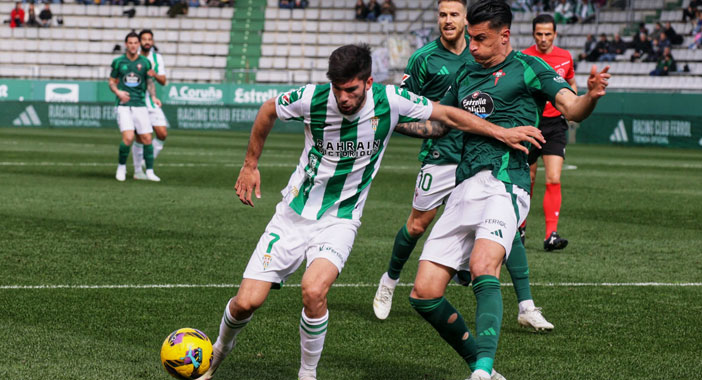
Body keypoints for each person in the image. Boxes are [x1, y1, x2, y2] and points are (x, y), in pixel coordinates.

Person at [196, 43, 544, 380]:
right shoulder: (312, 98)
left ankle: (307, 374)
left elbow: (447, 114)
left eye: (350, 90)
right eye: (337, 89)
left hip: (341, 220)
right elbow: (268, 110)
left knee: (314, 291)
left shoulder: (389, 100)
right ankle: (219, 350)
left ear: (368, 83)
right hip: (292, 214)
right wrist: (250, 164)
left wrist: (501, 132)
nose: (343, 98)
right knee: (246, 303)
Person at [408, 1, 609, 379]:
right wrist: (390, 122)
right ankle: (484, 368)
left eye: (480, 39)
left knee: (485, 266)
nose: (472, 47)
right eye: (470, 38)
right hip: (463, 185)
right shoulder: (466, 70)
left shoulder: (530, 68)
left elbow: (571, 108)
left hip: (506, 184)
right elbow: (440, 123)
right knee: (424, 293)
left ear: (504, 36)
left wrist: (591, 97)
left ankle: (482, 373)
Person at [372, 0, 554, 333]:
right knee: (417, 225)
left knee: (504, 227)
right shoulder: (423, 58)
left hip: (486, 160)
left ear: (467, 20)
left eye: (454, 14)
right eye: (442, 14)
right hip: (442, 155)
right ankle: (389, 280)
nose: (447, 20)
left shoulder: (485, 53)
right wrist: (389, 121)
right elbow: (405, 107)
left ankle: (526, 305)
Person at [521, 13, 578, 251]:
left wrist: (573, 101)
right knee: (528, 179)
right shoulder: (523, 57)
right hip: (530, 124)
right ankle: (519, 228)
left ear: (555, 34)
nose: (543, 38)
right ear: (533, 34)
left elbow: (571, 82)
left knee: (554, 178)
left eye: (548, 34)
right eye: (539, 34)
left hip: (555, 125)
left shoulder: (565, 57)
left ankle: (551, 235)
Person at [109, 32, 161, 182]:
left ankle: (150, 171)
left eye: (135, 43)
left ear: (138, 45)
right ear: (126, 44)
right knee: (128, 137)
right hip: (124, 106)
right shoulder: (118, 62)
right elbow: (111, 82)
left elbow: (149, 82)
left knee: (146, 138)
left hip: (140, 104)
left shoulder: (145, 62)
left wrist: (153, 97)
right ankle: (121, 167)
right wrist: (118, 92)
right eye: (130, 43)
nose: (133, 45)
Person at [132, 29, 168, 180]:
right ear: (140, 42)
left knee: (162, 133)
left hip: (151, 100)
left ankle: (148, 159)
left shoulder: (156, 58)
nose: (147, 42)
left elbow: (163, 81)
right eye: (144, 39)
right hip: (138, 100)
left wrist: (155, 75)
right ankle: (138, 170)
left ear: (152, 42)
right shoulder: (135, 57)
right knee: (141, 136)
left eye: (149, 39)